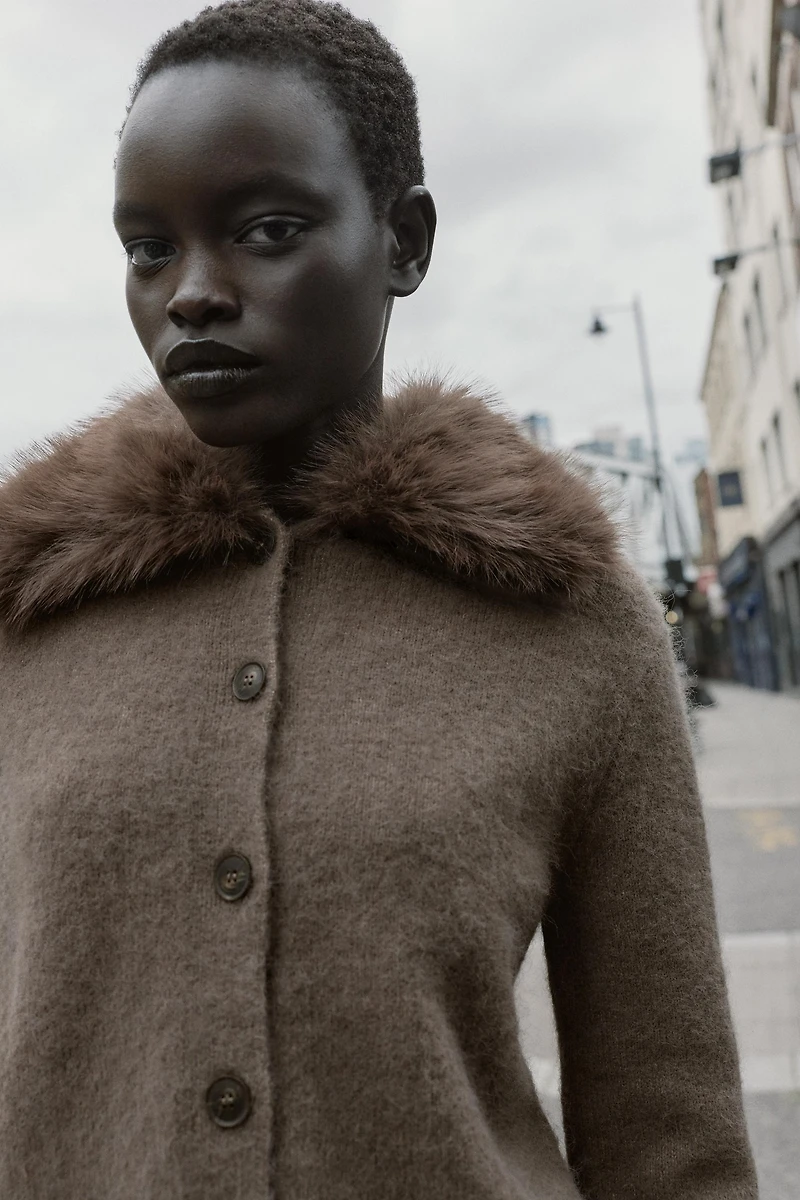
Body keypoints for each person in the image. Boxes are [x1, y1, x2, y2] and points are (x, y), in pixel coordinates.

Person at [0, 2, 757, 1197]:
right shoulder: (31, 607)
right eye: (148, 248)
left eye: (265, 230)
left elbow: (670, 1136)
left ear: (402, 241)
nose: (190, 293)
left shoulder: (565, 618)